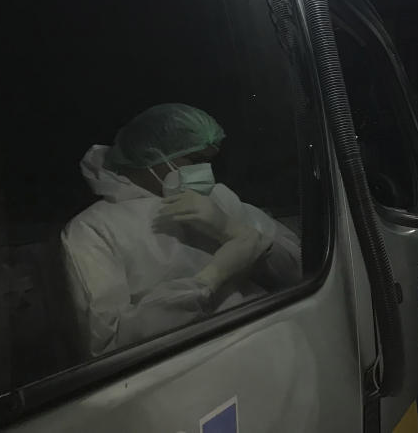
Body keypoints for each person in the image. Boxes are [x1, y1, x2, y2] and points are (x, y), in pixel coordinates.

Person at [61, 103, 302, 357]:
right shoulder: (93, 229)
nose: (205, 172)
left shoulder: (220, 199)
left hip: (272, 346)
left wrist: (234, 230)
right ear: (150, 155)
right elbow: (108, 344)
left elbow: (299, 271)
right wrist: (209, 279)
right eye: (196, 160)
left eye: (210, 161)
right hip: (188, 372)